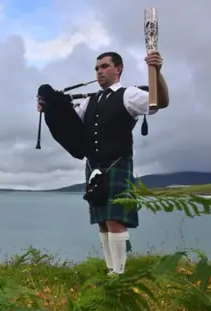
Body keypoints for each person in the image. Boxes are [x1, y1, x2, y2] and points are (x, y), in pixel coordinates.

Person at [38, 51, 169, 275]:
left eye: (105, 66)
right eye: (97, 68)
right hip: (94, 167)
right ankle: (110, 269)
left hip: (117, 164)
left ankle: (118, 274)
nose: (99, 71)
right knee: (101, 221)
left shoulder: (129, 95)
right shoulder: (89, 101)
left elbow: (161, 101)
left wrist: (157, 72)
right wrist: (49, 107)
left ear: (118, 69)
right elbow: (68, 121)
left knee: (114, 219)